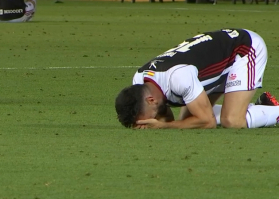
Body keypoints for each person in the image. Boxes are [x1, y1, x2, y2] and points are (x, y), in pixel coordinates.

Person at [115, 28, 279, 129]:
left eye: (146, 120)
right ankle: (264, 108)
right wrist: (163, 123)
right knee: (188, 120)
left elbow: (208, 122)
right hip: (215, 61)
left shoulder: (178, 77)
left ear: (151, 100)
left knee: (232, 121)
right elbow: (166, 115)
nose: (150, 121)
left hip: (244, 50)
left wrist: (164, 126)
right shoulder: (140, 81)